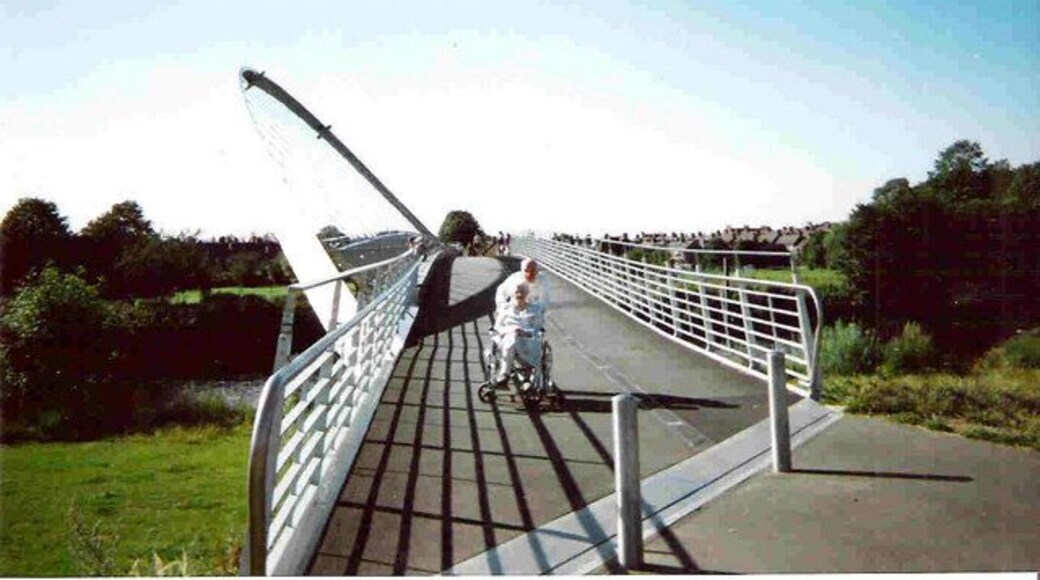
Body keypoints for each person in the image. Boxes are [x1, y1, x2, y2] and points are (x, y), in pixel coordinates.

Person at [492, 282, 544, 386]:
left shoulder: (535, 309)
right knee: (513, 337)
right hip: (507, 337)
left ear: (527, 293)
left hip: (527, 339)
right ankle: (510, 373)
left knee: (515, 338)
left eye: (522, 292)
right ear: (513, 293)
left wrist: (526, 332)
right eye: (517, 292)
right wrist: (510, 331)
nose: (519, 295)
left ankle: (505, 373)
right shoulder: (506, 308)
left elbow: (538, 327)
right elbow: (498, 327)